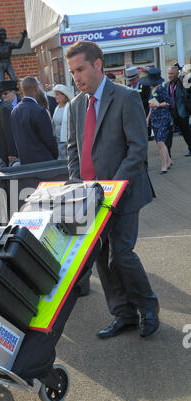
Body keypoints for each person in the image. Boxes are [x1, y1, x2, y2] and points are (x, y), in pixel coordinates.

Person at [65, 41, 159, 338]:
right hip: (91, 197)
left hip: (125, 194)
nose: (76, 77)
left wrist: (114, 189)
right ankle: (123, 314)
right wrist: (77, 188)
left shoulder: (126, 97)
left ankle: (148, 308)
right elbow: (72, 150)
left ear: (98, 65)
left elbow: (137, 149)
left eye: (80, 69)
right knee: (102, 257)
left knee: (121, 253)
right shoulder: (75, 105)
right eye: (72, 72)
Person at [10, 76, 58, 164]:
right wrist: (55, 155)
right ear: (36, 88)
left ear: (23, 90)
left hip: (25, 161)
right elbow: (49, 139)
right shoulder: (39, 110)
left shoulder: (14, 111)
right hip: (43, 161)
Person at [140, 68, 172, 174]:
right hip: (154, 118)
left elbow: (168, 102)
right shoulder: (151, 90)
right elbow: (151, 106)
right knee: (160, 141)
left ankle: (164, 165)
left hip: (163, 118)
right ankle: (168, 161)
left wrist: (158, 105)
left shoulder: (161, 89)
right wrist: (147, 118)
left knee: (160, 142)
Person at [165, 65, 191, 157]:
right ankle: (168, 155)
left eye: (172, 73)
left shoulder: (183, 83)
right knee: (169, 134)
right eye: (169, 73)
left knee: (186, 132)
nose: (170, 75)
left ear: (177, 74)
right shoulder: (167, 85)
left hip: (182, 112)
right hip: (171, 113)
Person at [125, 66, 151, 138]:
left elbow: (148, 99)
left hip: (143, 113)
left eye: (133, 80)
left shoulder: (145, 86)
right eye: (130, 80)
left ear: (137, 77)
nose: (131, 82)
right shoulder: (127, 88)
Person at [51, 84, 71, 160]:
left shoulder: (69, 107)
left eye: (58, 95)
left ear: (64, 95)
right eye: (55, 95)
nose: (55, 96)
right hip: (57, 141)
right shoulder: (57, 108)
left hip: (66, 142)